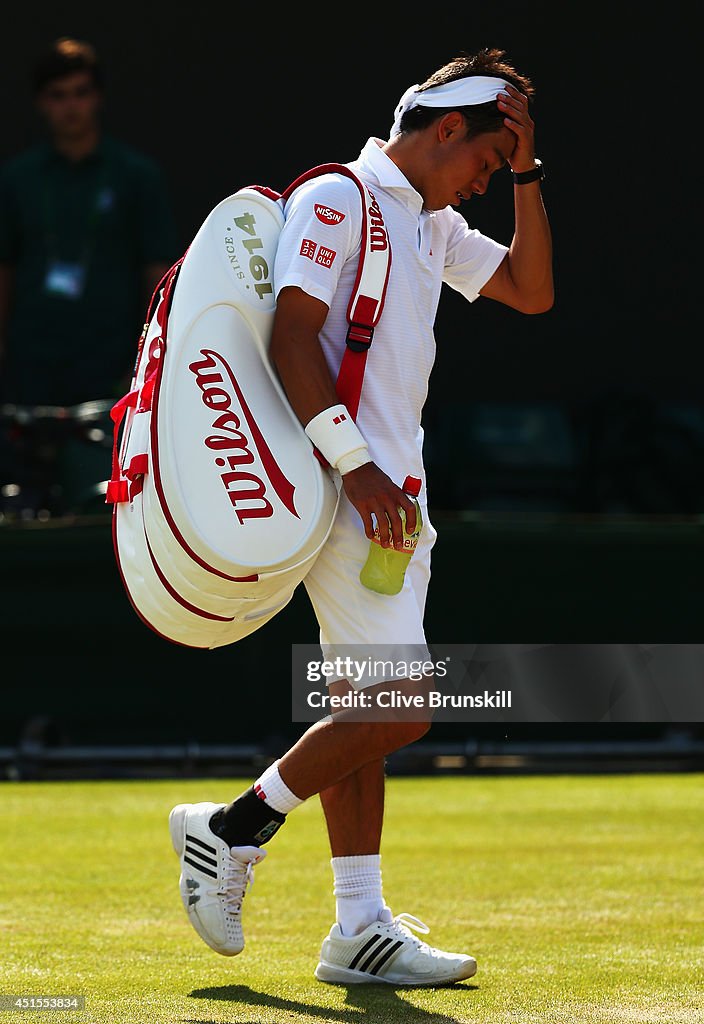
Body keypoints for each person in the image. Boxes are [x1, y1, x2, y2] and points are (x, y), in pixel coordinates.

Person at [169, 46, 553, 986]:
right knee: (404, 707)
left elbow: (533, 293)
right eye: (487, 165)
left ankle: (357, 927)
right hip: (342, 489)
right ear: (448, 127)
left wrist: (530, 173)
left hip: (387, 498)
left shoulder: (432, 223)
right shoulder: (341, 197)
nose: (482, 183)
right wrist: (358, 471)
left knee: (362, 711)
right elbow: (291, 335)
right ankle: (231, 829)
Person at [0, 37, 179, 511]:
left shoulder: (136, 176)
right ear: (42, 103)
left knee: (105, 500)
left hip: (110, 365)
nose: (71, 106)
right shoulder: (18, 179)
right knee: (26, 502)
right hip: (31, 365)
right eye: (59, 95)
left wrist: (147, 363)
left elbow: (159, 274)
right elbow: (4, 269)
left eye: (80, 92)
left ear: (96, 98)